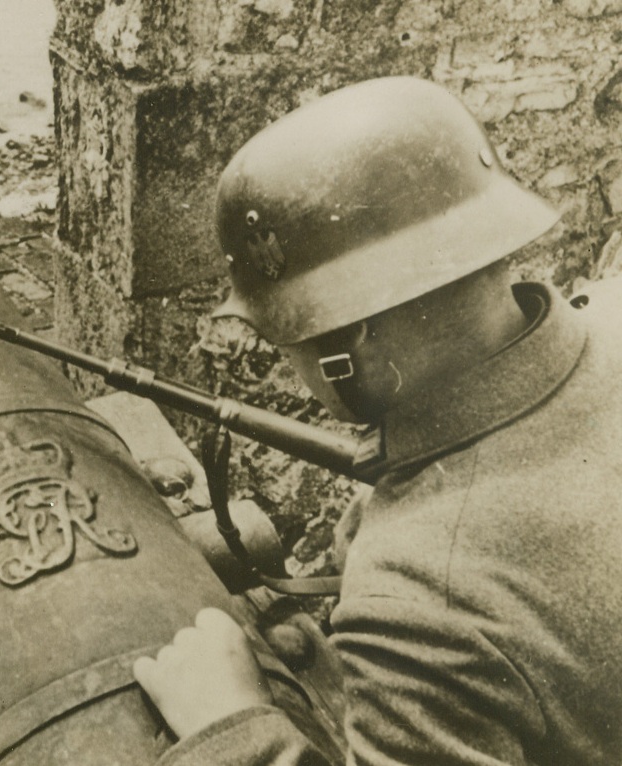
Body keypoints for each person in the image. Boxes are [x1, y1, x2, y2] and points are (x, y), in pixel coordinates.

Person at [133, 76, 622, 765]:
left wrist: (235, 725)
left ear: (346, 345)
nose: (288, 364)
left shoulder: (425, 602)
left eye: (289, 338)